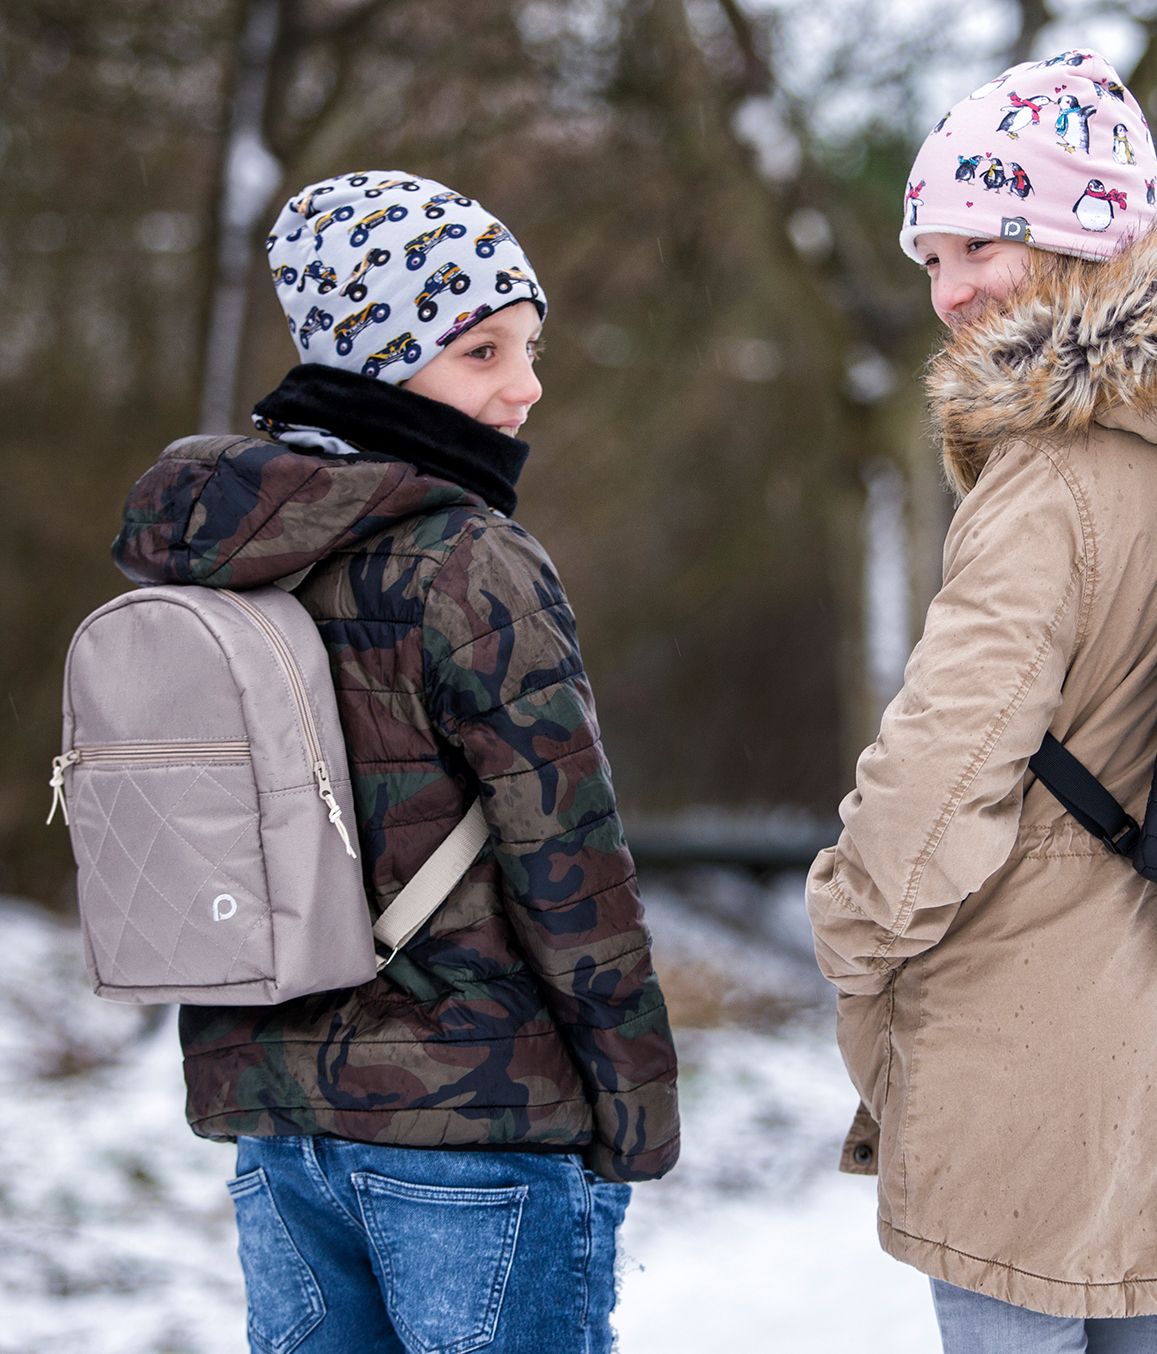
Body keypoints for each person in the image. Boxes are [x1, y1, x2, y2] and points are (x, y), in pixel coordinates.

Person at [806, 51, 1157, 1353]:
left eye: (980, 247)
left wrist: (854, 920)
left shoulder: (1051, 479)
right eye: (929, 259)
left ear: (1076, 232)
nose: (949, 295)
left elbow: (947, 758)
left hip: (1033, 1026)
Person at [113, 172, 679, 1354]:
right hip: (480, 1119)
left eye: (529, 347)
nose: (524, 386)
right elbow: (566, 856)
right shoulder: (470, 558)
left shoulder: (214, 554)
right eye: (480, 350)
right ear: (373, 358)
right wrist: (635, 1100)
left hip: (279, 1120)